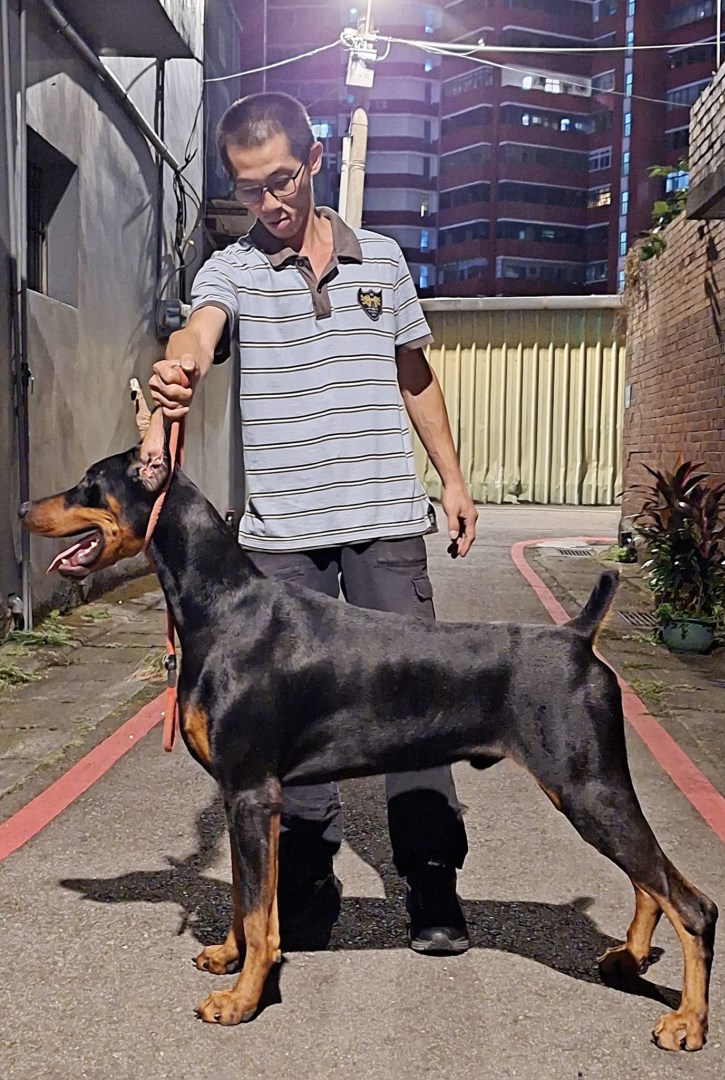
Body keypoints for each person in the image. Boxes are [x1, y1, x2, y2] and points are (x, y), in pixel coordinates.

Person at [150, 92, 478, 955]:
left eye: (282, 181)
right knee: (285, 725)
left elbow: (415, 376)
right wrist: (180, 368)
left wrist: (452, 479)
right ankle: (305, 886)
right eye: (248, 188)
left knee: (418, 705)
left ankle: (432, 885)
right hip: (282, 540)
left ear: (315, 162)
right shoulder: (232, 269)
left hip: (382, 522)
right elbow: (199, 332)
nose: (268, 202)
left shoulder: (384, 260)